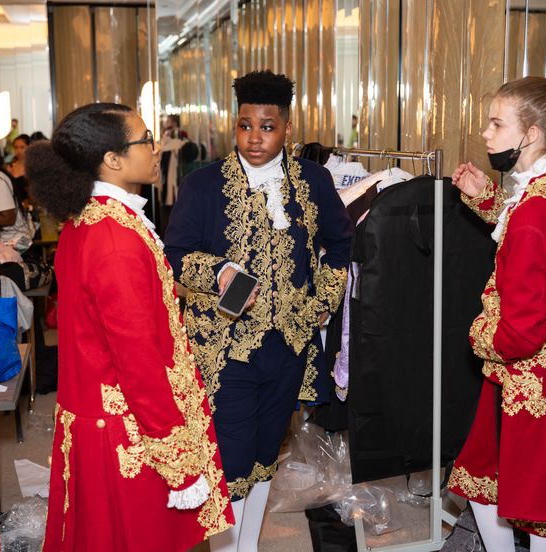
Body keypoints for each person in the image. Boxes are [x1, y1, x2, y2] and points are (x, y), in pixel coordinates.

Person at [25, 102, 233, 551]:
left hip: (98, 416)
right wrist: (177, 459)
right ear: (112, 159)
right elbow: (136, 358)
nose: (157, 149)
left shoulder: (92, 219)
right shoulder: (115, 237)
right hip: (128, 432)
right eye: (145, 140)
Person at [164, 70, 353, 551]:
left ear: (287, 127)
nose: (254, 137)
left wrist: (323, 303)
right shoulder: (202, 184)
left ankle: (245, 546)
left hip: (288, 345)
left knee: (268, 452)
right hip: (223, 347)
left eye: (266, 126)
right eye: (245, 125)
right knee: (230, 457)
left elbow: (338, 242)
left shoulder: (313, 180)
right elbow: (176, 255)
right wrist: (220, 272)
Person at [447, 76, 546, 551]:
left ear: (531, 134)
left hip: (532, 380)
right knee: (485, 481)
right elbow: (528, 229)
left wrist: (476, 336)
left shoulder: (535, 210)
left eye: (497, 124)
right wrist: (484, 198)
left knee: (539, 516)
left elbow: (523, 330)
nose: (486, 134)